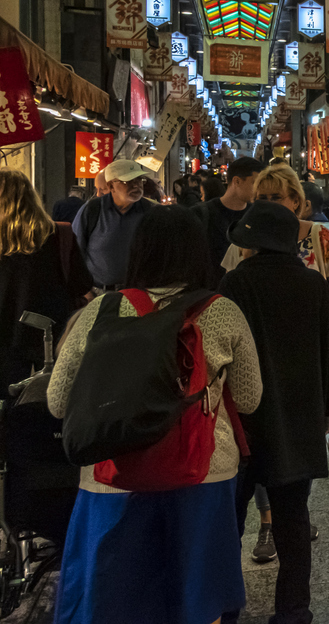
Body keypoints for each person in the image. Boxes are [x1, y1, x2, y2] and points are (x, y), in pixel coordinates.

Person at [47, 206, 262, 624]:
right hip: (203, 472)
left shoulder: (101, 311)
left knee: (113, 601)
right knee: (199, 599)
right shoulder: (221, 311)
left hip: (111, 476)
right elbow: (250, 398)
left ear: (138, 251)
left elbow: (57, 402)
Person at [218, 202, 329, 624]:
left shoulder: (236, 283)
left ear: (252, 244)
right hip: (298, 416)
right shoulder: (312, 284)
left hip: (244, 420)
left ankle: (225, 608)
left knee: (230, 519)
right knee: (293, 519)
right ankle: (294, 612)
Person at [220, 164, 329, 450]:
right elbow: (229, 299)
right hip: (257, 347)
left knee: (304, 423)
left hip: (308, 346)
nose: (269, 204)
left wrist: (328, 334)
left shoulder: (319, 236)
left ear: (296, 201)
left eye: (276, 197)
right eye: (262, 198)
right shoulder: (243, 239)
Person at [0, 170, 91, 390]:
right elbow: (82, 284)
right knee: (49, 396)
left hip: (4, 337)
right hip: (50, 334)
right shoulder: (59, 234)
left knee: (6, 397)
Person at [72, 159, 158, 290]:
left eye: (139, 180)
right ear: (111, 186)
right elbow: (74, 252)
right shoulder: (93, 210)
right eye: (128, 181)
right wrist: (83, 290)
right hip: (98, 292)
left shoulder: (151, 211)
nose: (136, 186)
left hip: (139, 292)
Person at [191, 156, 265, 287]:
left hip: (244, 290)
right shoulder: (201, 213)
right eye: (255, 183)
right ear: (237, 181)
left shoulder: (257, 215)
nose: (259, 190)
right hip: (209, 291)